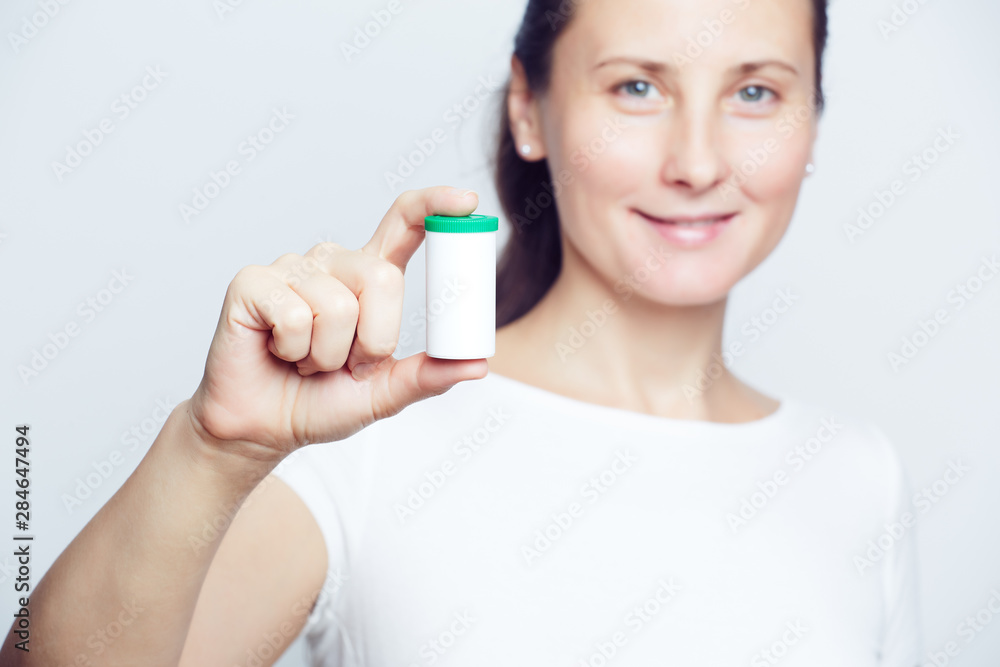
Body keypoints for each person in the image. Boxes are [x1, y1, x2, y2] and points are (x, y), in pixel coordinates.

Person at [3, 0, 923, 664]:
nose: (697, 161)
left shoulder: (859, 474)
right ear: (529, 107)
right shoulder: (361, 433)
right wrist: (213, 449)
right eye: (637, 86)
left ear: (812, 118)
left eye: (756, 93)